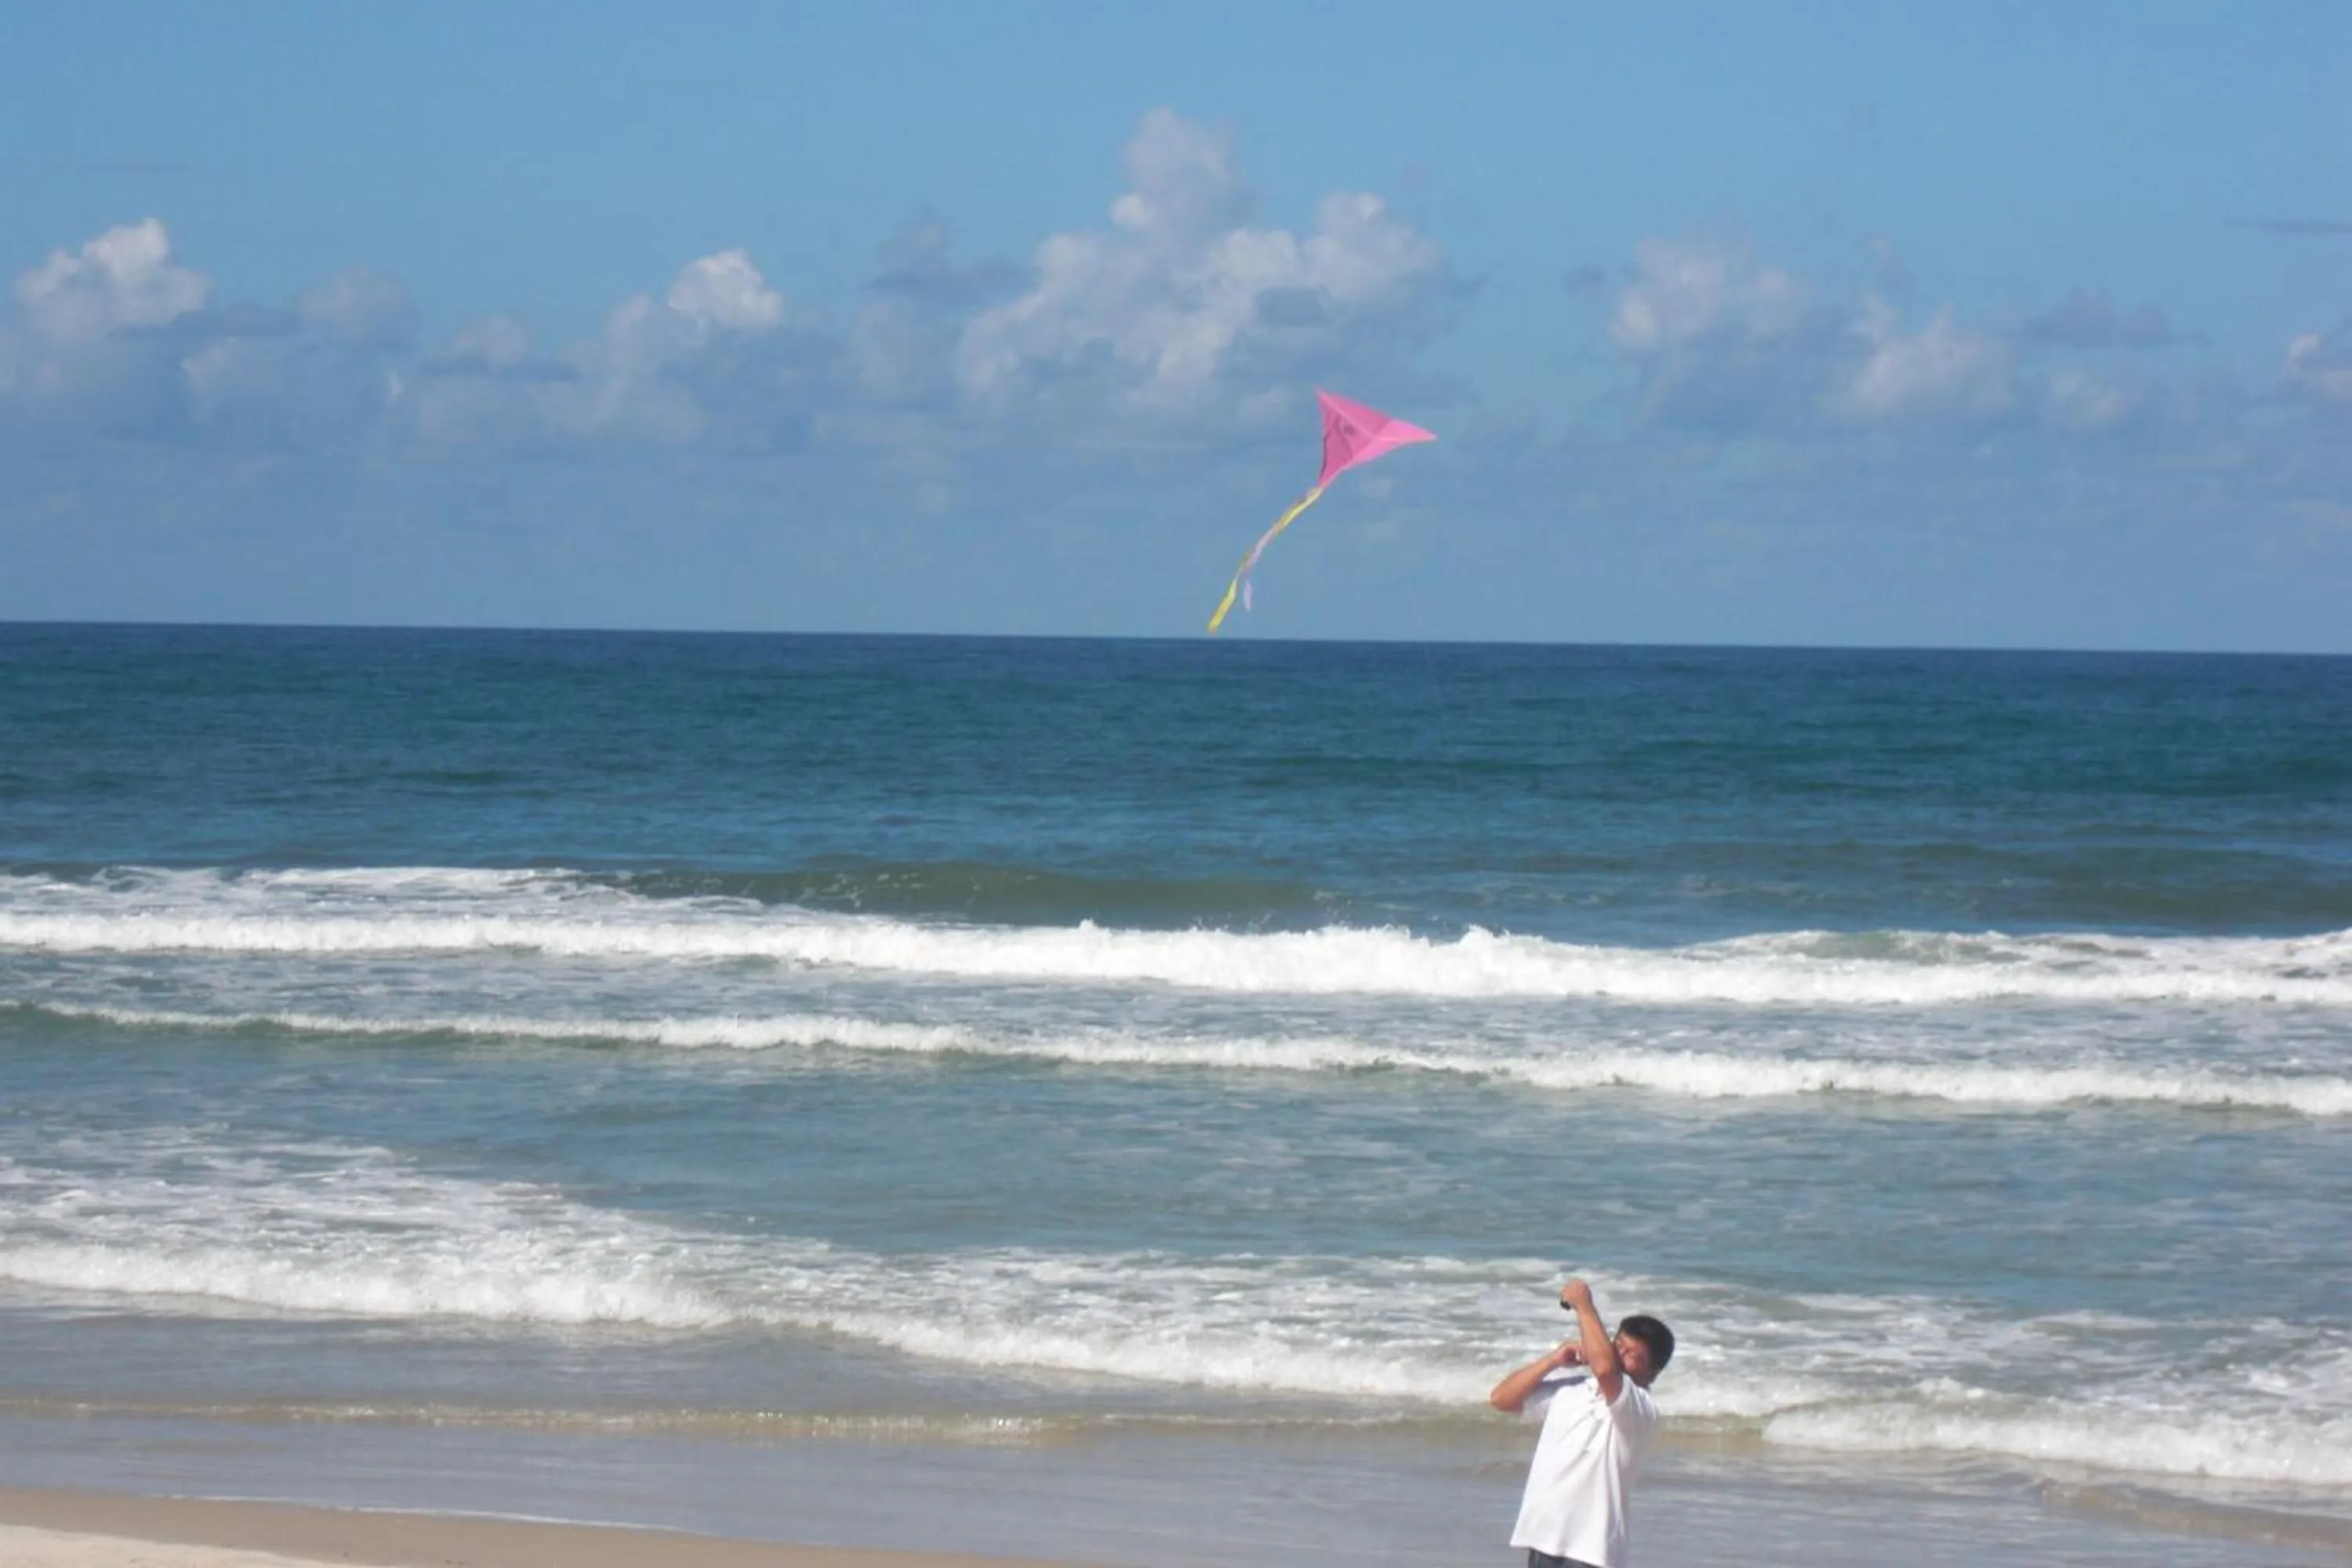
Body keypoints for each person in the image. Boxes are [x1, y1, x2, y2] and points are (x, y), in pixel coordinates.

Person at [1488, 1277, 1675, 1568]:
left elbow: (1604, 1370)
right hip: (1542, 1538)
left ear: (1652, 1372)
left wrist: (1584, 1306)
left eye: (1632, 1355)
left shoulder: (1640, 1409)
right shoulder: (1572, 1390)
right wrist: (1552, 1360)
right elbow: (1502, 1399)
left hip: (1592, 1552)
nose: (1619, 1355)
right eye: (1618, 1345)